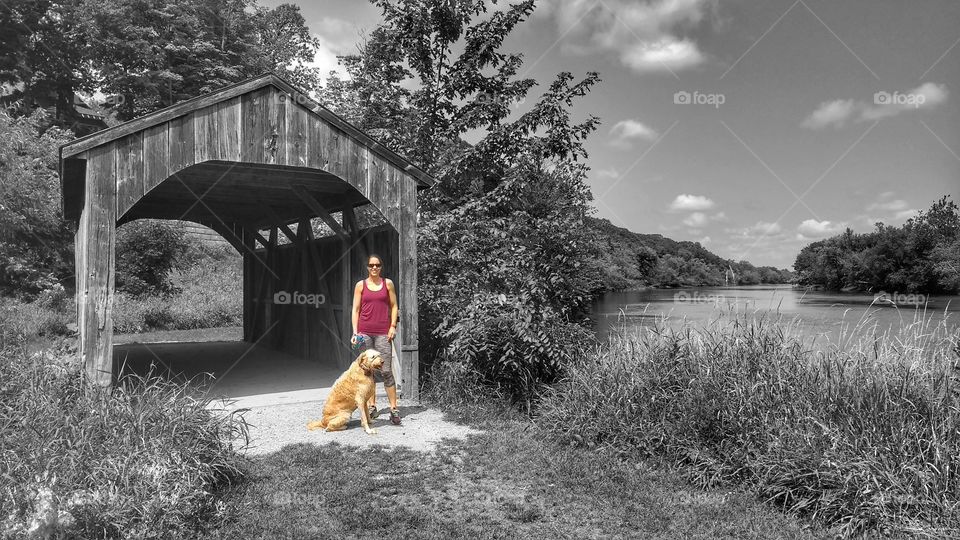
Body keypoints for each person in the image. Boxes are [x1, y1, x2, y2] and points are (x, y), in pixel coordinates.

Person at [351, 254, 401, 425]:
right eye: (371, 265)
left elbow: (394, 306)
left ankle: (394, 409)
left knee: (386, 370)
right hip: (365, 333)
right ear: (367, 267)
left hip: (382, 333)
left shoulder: (387, 284)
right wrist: (355, 332)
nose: (374, 268)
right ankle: (372, 406)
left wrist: (393, 326)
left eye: (377, 265)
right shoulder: (360, 285)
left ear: (381, 266)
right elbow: (356, 310)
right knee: (368, 372)